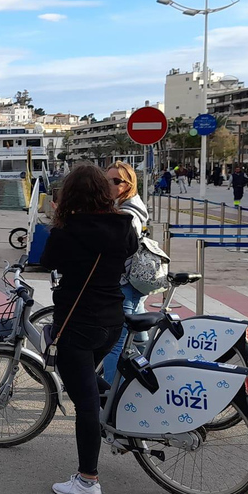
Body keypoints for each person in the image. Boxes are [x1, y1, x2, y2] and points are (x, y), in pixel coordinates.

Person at [40, 164, 138, 494]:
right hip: (112, 321)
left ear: (70, 195)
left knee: (84, 404)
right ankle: (120, 417)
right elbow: (129, 252)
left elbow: (49, 261)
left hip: (78, 324)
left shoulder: (67, 231)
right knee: (87, 385)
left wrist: (58, 220)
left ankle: (87, 482)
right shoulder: (124, 224)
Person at [102, 161, 149, 385]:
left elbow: (123, 243)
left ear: (128, 184)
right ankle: (149, 376)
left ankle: (112, 400)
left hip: (126, 283)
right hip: (134, 283)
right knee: (139, 339)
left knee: (116, 344)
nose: (109, 184)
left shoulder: (129, 213)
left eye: (116, 181)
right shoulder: (120, 206)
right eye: (106, 180)